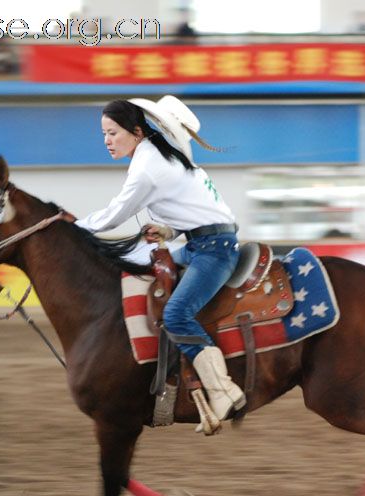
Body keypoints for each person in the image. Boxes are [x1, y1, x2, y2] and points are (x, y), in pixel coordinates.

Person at [76, 96, 246, 428]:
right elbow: (201, 211)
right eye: (104, 134)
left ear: (136, 132)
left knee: (177, 313)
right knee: (140, 269)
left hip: (214, 250)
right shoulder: (161, 155)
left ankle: (223, 390)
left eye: (113, 133)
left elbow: (113, 216)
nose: (107, 141)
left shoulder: (147, 168)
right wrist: (168, 228)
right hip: (205, 243)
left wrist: (70, 229)